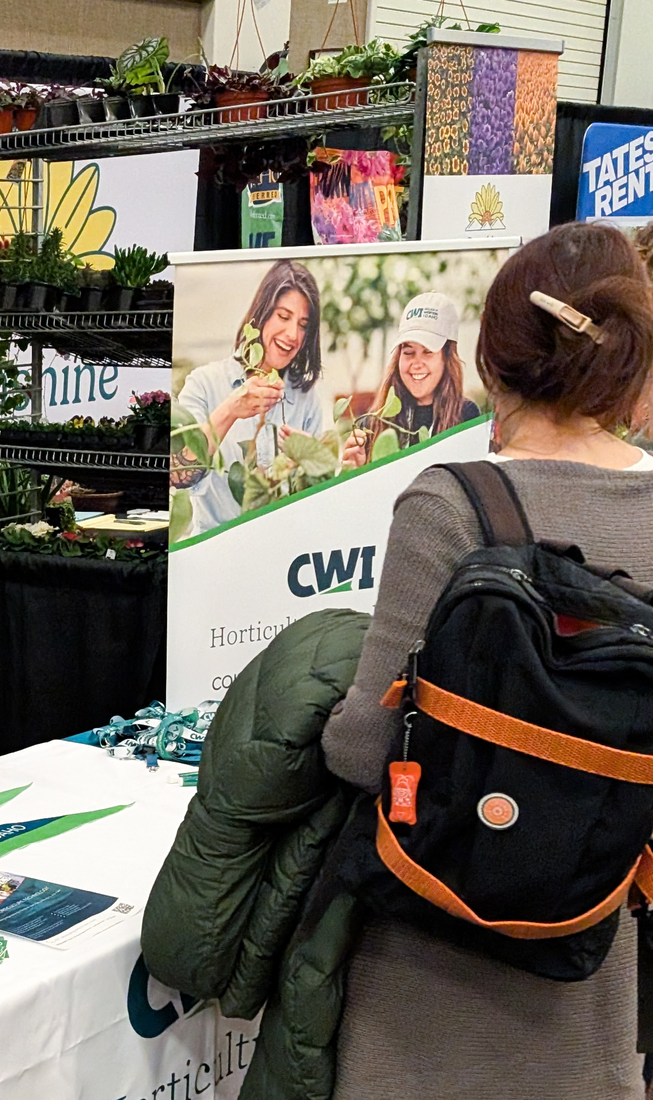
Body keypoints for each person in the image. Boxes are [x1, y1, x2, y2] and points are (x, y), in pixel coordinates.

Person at [322, 222, 653, 1097]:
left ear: (494, 361)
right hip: (590, 971)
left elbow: (365, 749)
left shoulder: (451, 505)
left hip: (432, 977)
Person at [173, 260, 322, 536]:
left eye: (303, 324)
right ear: (262, 313)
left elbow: (318, 500)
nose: (292, 335)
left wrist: (313, 460)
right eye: (283, 316)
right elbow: (178, 475)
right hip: (213, 550)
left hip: (283, 552)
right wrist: (230, 409)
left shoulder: (306, 397)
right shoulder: (205, 383)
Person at [341, 291, 480, 468]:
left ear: (447, 357)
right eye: (408, 352)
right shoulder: (372, 423)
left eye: (428, 351)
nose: (417, 363)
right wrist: (356, 471)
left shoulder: (466, 416)